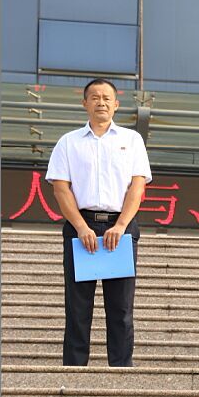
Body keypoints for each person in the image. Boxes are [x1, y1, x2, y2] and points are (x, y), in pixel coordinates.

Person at [46, 78, 152, 366]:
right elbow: (61, 188)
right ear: (85, 103)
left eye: (106, 98)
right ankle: (74, 370)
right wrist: (81, 227)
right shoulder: (68, 142)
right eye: (94, 97)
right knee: (78, 308)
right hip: (81, 228)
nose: (101, 102)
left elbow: (137, 187)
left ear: (116, 104)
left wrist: (121, 226)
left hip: (121, 229)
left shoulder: (132, 140)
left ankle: (121, 370)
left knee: (121, 308)